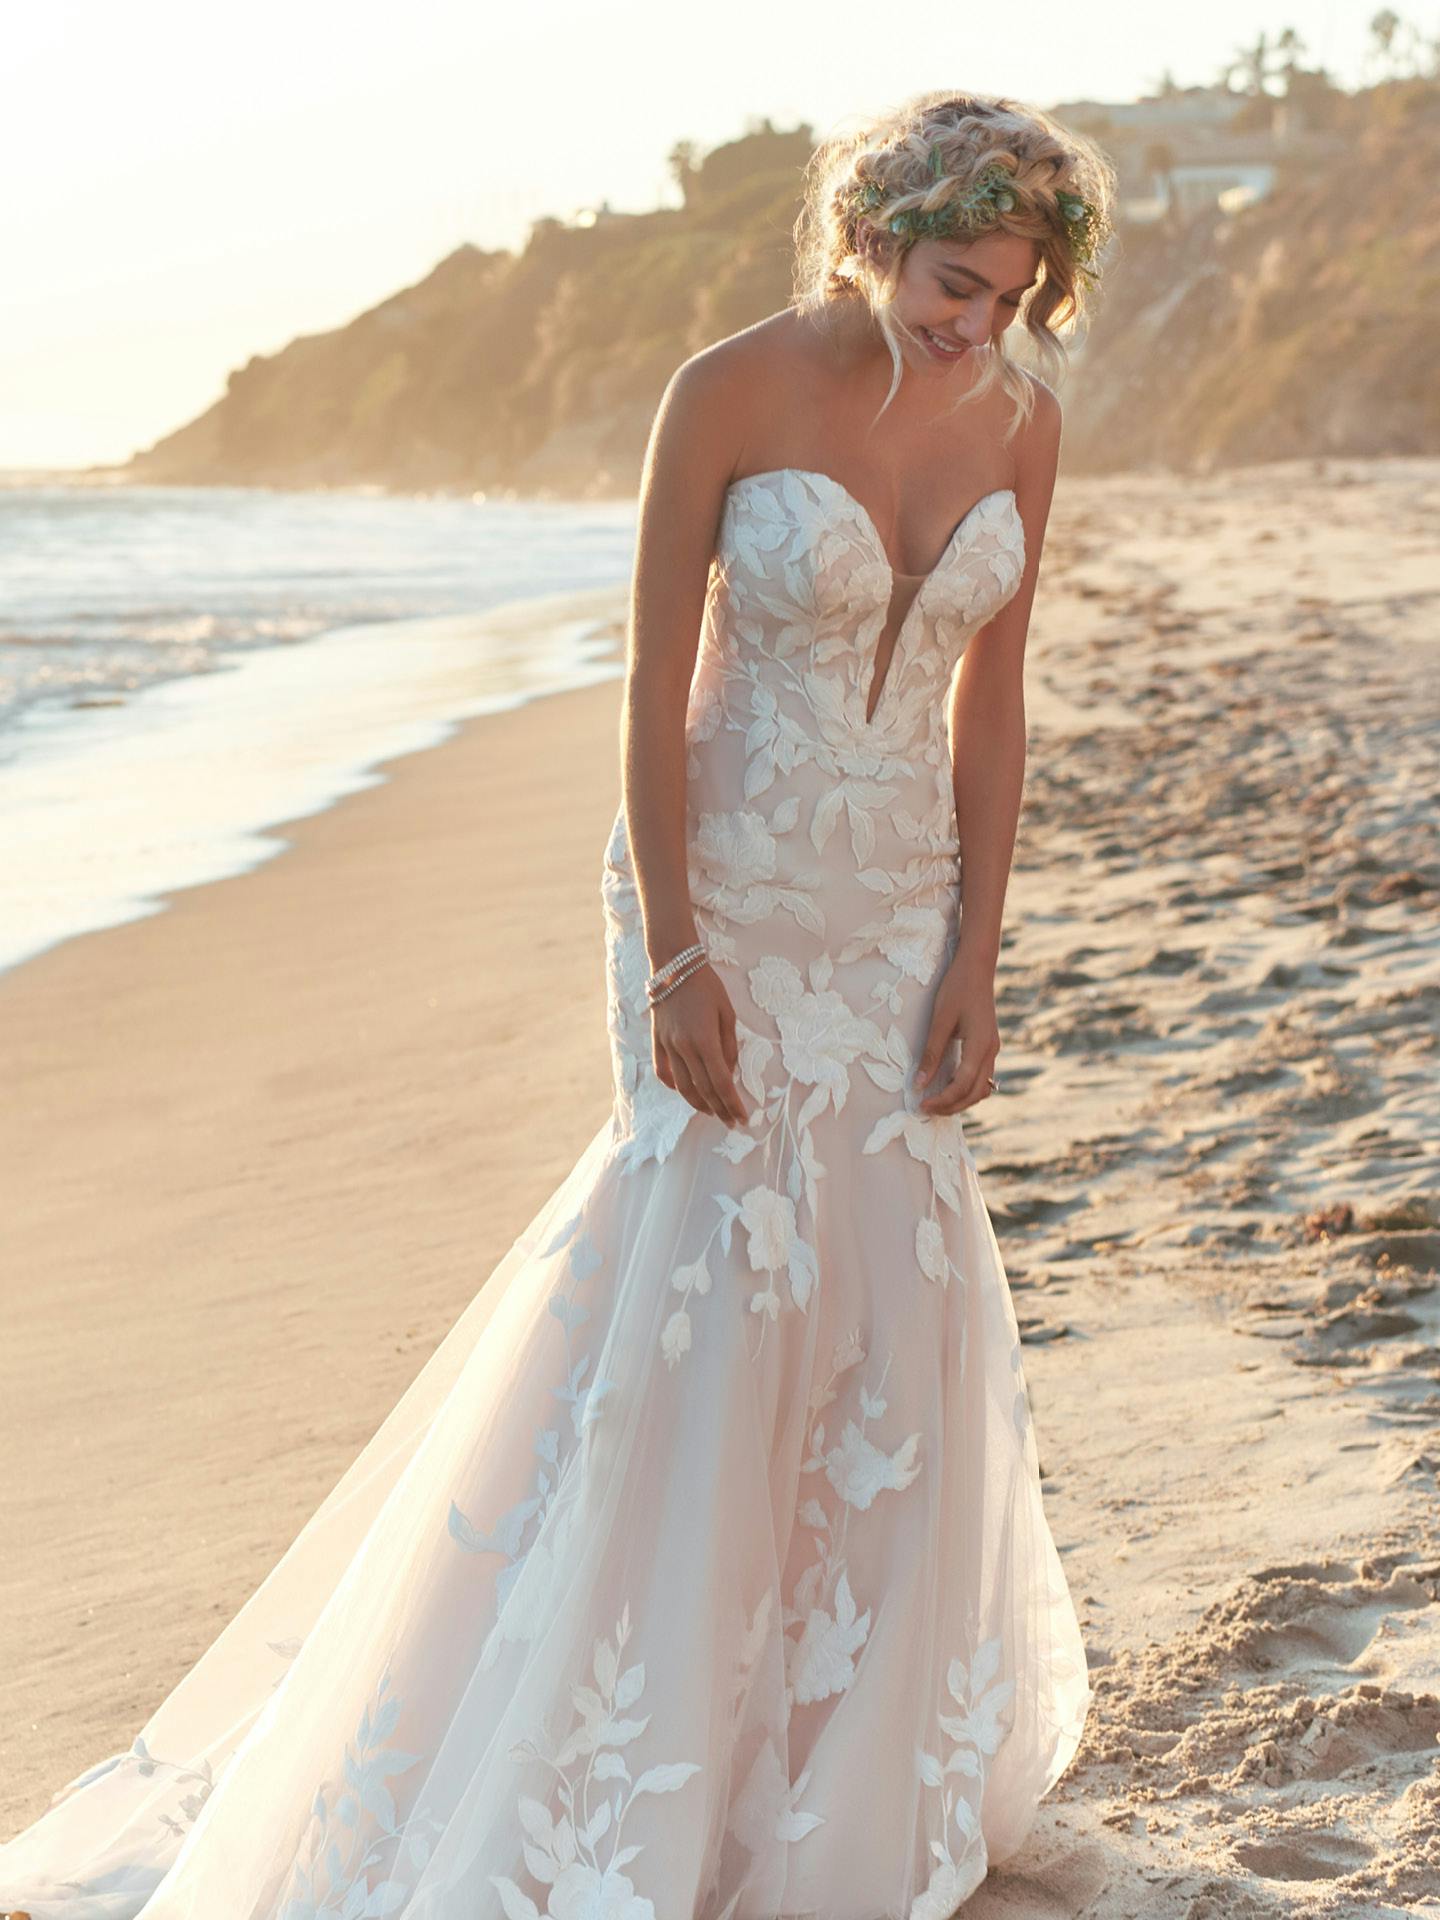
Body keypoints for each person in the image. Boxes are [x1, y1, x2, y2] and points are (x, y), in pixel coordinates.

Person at [0, 87, 1115, 1920]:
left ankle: (828, 1756)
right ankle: (617, 1757)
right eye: (948, 282)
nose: (971, 325)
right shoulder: (729, 392)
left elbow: (991, 702)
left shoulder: (1022, 424)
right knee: (705, 1286)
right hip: (726, 888)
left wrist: (983, 944)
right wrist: (674, 949)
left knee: (887, 1298)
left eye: (1006, 297)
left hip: (893, 906)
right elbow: (648, 688)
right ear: (872, 239)